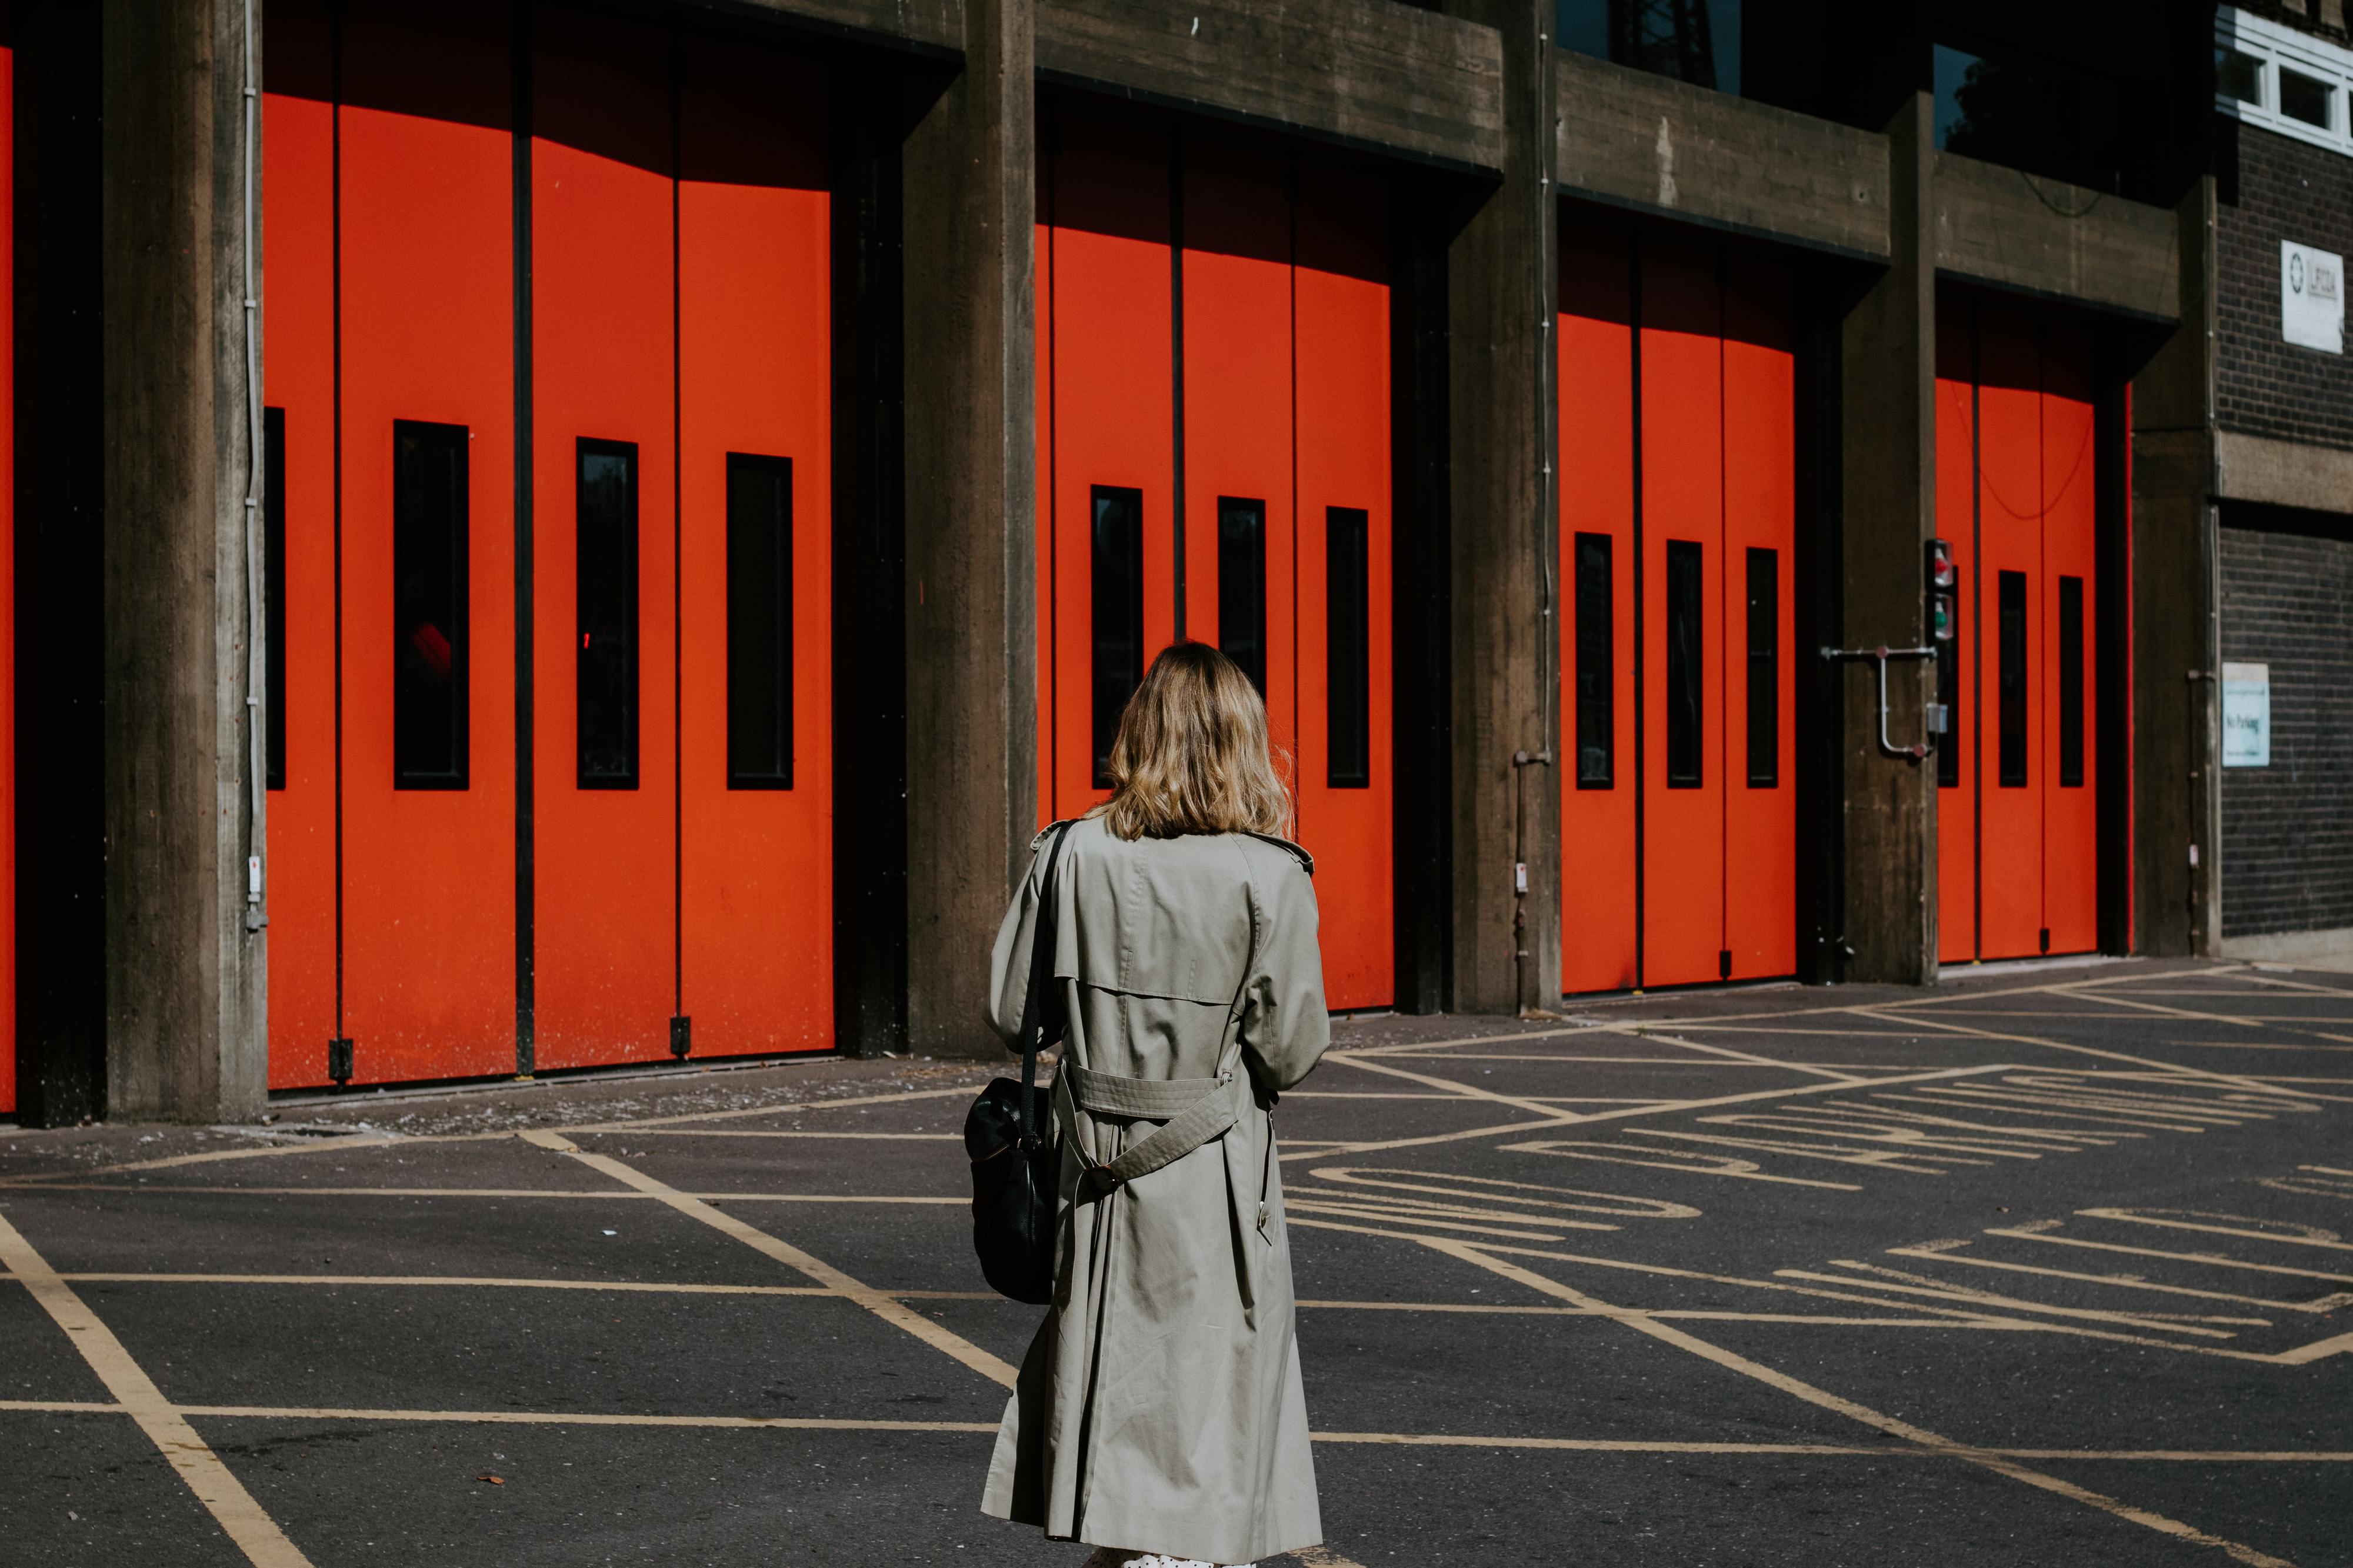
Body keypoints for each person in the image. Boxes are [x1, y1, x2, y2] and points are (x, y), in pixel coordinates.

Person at [979, 640, 1331, 1568]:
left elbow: (1013, 1013)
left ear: (1139, 735)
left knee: (1114, 1376)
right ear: (1242, 744)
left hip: (1090, 1161)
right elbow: (1291, 1051)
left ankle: (1129, 1548)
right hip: (1210, 1167)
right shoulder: (1270, 874)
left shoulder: (1069, 852)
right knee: (1207, 1404)